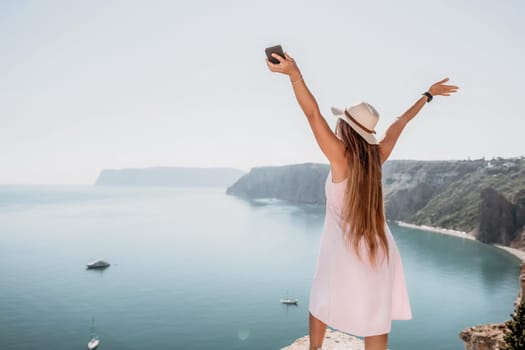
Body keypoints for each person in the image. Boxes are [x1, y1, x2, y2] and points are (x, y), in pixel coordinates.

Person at [266, 51, 458, 350]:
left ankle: (315, 349)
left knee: (320, 299)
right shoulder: (377, 157)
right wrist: (427, 95)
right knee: (376, 316)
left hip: (341, 248)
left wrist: (295, 75)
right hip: (378, 246)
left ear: (345, 127)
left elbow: (313, 114)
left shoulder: (340, 158)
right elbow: (399, 123)